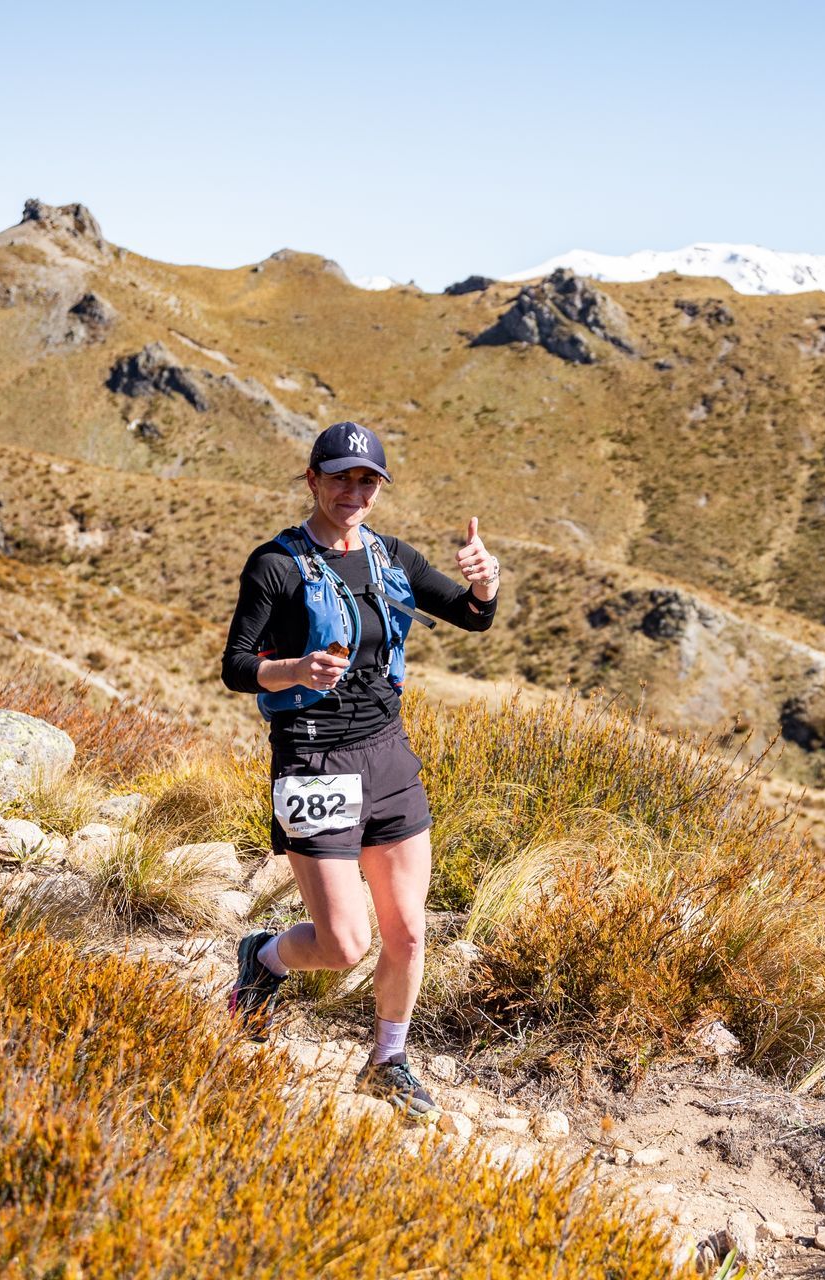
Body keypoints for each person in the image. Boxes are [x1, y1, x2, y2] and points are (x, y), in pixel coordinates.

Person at [219, 420, 500, 1120]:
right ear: (312, 480)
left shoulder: (391, 556)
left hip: (388, 755)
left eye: (366, 479)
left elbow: (469, 618)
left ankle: (386, 1061)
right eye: (339, 476)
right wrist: (292, 669)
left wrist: (485, 586)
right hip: (313, 759)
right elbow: (235, 666)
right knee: (344, 944)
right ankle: (267, 960)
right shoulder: (275, 565)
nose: (353, 490)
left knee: (407, 933)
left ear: (378, 489)